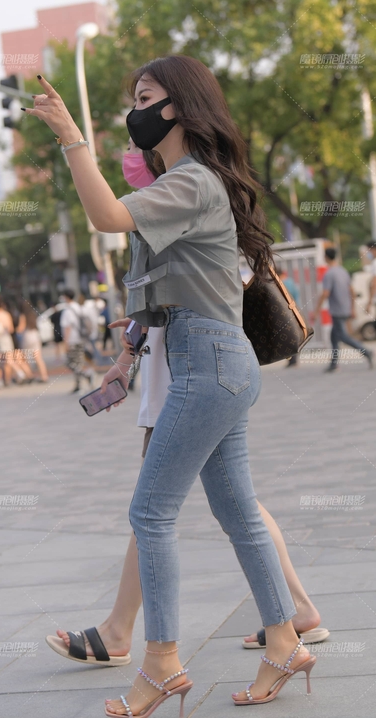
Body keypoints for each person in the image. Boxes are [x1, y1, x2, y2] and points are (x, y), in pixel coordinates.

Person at [26, 56, 316, 712]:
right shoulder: (189, 181)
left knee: (151, 512)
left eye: (145, 98)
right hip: (214, 358)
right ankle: (283, 642)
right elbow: (168, 284)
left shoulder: (193, 181)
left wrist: (71, 137)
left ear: (178, 106)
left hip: (207, 361)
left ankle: (160, 662)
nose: (136, 111)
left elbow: (106, 215)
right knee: (237, 511)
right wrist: (130, 344)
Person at [314, 247, 373, 372]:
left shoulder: (329, 274)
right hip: (345, 308)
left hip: (337, 310)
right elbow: (351, 290)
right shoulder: (343, 271)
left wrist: (316, 311)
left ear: (326, 257)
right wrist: (352, 308)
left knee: (343, 336)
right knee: (334, 337)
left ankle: (367, 352)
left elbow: (325, 293)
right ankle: (333, 364)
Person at [60, 289, 94, 393]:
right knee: (78, 362)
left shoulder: (67, 311)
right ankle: (78, 385)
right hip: (81, 338)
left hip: (72, 340)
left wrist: (65, 343)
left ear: (66, 297)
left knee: (69, 363)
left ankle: (87, 374)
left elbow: (67, 327)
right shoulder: (79, 307)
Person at [277, 267, 300, 367]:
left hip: (286, 314)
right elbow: (296, 295)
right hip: (295, 310)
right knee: (293, 335)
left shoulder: (281, 283)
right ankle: (293, 359)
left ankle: (292, 360)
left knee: (287, 337)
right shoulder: (291, 281)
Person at [21, 306, 49, 382]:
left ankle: (29, 375)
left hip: (28, 336)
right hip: (35, 335)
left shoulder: (23, 316)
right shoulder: (33, 314)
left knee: (25, 357)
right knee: (38, 358)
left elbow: (21, 328)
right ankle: (44, 376)